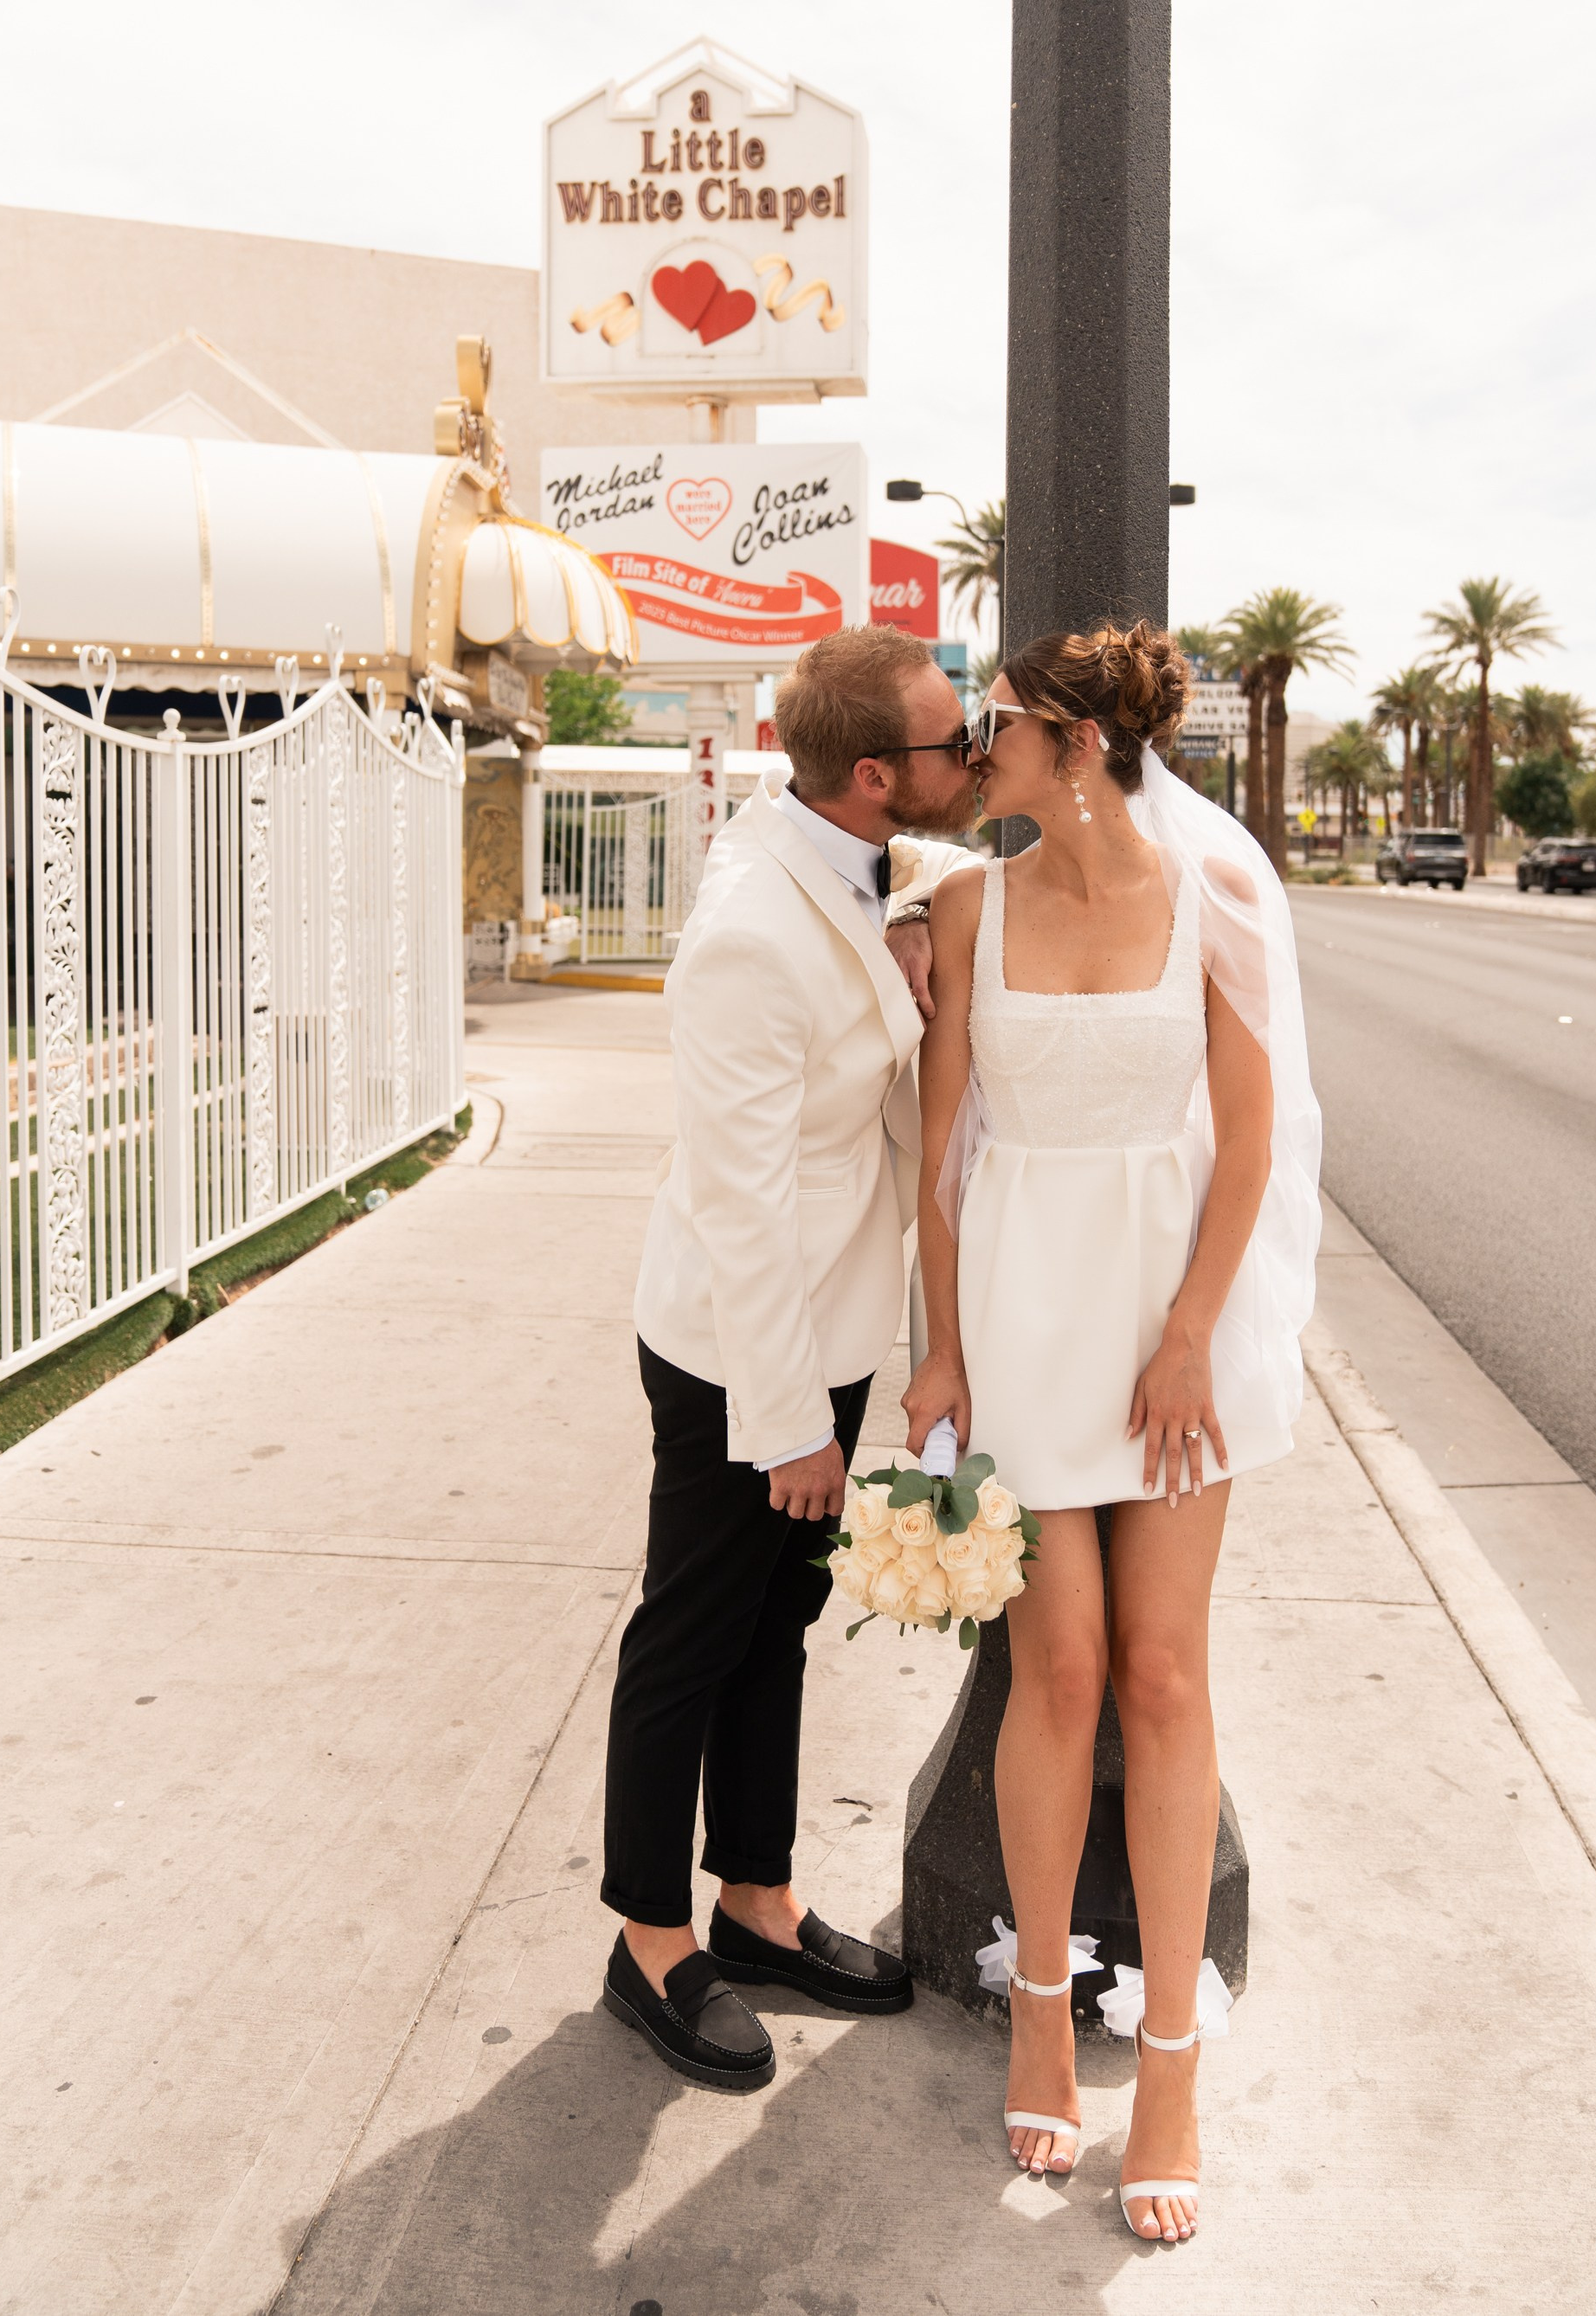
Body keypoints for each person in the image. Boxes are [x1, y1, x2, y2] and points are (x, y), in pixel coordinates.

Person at [904, 620, 1320, 2243]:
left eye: (996, 723)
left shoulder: (1214, 901)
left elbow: (1252, 1138)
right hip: (1018, 1325)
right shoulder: (957, 905)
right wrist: (941, 1357)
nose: (973, 750)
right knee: (1057, 1674)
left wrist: (1197, 1334)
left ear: (1077, 744)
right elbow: (938, 1156)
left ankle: (1167, 2060)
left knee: (1161, 1676)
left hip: (1168, 1339)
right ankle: (1035, 2011)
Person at [601, 624, 980, 2091]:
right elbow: (743, 1210)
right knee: (690, 1638)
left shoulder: (847, 857)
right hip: (732, 1359)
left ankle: (753, 1902)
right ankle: (648, 1941)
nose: (971, 755)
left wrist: (918, 919)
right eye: (954, 742)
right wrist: (789, 1431)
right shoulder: (751, 933)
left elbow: (895, 905)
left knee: (776, 1630)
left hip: (820, 1342)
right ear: (877, 775)